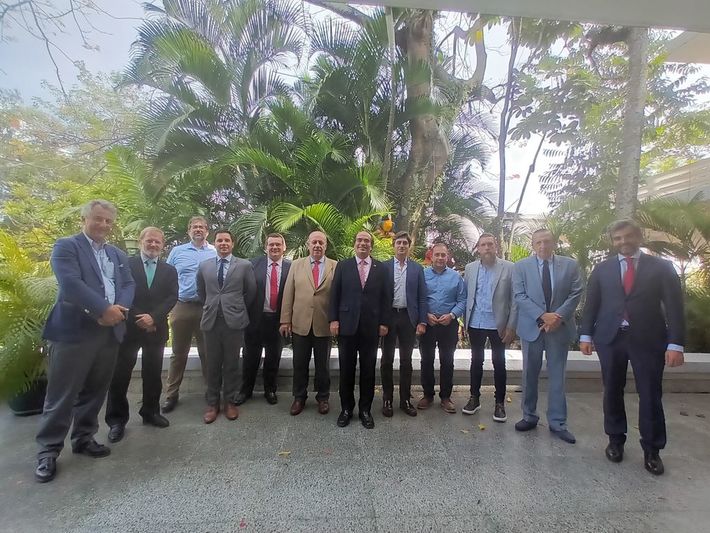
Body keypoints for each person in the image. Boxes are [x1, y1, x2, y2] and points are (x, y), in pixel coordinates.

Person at [35, 199, 136, 483]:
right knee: (62, 395)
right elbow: (70, 284)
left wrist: (118, 311)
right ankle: (48, 450)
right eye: (98, 219)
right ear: (84, 219)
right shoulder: (66, 246)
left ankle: (83, 438)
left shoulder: (116, 253)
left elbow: (128, 284)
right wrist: (102, 310)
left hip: (109, 333)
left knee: (95, 391)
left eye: (108, 221)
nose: (103, 225)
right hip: (74, 333)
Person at [580, 219, 685, 475]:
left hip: (648, 340)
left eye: (628, 236)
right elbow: (591, 304)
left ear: (639, 237)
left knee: (650, 394)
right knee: (611, 391)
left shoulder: (661, 267)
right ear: (612, 241)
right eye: (617, 238)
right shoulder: (602, 269)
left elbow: (674, 307)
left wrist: (676, 343)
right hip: (610, 339)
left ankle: (652, 449)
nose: (623, 242)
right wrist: (585, 335)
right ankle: (615, 440)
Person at [105, 227, 178, 443]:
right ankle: (117, 420)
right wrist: (140, 317)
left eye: (157, 242)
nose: (153, 245)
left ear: (163, 245)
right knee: (120, 375)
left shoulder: (169, 270)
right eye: (149, 241)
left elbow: (172, 297)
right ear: (140, 242)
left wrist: (153, 318)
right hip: (128, 327)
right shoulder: (127, 265)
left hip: (156, 328)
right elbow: (120, 293)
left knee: (153, 373)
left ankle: (150, 412)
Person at [512, 228, 583, 444]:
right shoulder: (521, 266)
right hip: (532, 327)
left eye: (547, 241)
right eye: (538, 242)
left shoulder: (570, 265)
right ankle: (529, 416)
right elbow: (519, 295)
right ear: (533, 245)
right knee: (529, 374)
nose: (543, 246)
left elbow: (576, 293)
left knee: (557, 376)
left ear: (554, 243)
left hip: (559, 328)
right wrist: (543, 316)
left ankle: (558, 422)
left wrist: (557, 316)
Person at [329, 231, 392, 429]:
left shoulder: (381, 268)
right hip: (346, 326)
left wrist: (384, 322)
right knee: (346, 370)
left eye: (366, 241)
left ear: (371, 245)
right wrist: (333, 319)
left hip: (371, 327)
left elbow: (386, 297)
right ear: (354, 244)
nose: (363, 243)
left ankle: (365, 410)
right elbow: (334, 294)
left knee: (368, 371)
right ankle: (346, 409)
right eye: (359, 240)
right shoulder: (343, 266)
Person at [196, 229, 256, 424]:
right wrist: (213, 305)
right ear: (214, 243)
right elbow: (201, 291)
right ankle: (212, 403)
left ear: (232, 244)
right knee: (212, 364)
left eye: (227, 240)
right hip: (211, 321)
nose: (223, 243)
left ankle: (230, 402)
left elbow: (251, 291)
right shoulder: (204, 265)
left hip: (234, 321)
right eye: (219, 240)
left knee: (231, 363)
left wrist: (236, 307)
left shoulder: (244, 265)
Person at [162, 216, 216, 413]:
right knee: (178, 353)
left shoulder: (214, 252)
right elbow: (167, 277)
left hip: (206, 307)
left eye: (202, 227)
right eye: (195, 227)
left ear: (207, 231)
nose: (198, 230)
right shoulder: (177, 252)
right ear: (189, 231)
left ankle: (212, 392)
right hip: (182, 306)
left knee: (207, 352)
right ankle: (171, 394)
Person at [280, 231, 337, 416]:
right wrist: (285, 319)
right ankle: (299, 397)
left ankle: (323, 398)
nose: (317, 245)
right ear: (308, 245)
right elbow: (288, 293)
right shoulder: (296, 265)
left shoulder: (335, 266)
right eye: (314, 242)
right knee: (299, 363)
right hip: (300, 323)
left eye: (321, 242)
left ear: (325, 246)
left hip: (324, 324)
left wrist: (336, 320)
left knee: (323, 365)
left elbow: (338, 296)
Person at [462, 233, 517, 422]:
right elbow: (467, 296)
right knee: (476, 361)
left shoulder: (509, 268)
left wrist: (511, 326)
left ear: (496, 247)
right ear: (478, 248)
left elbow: (515, 300)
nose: (487, 248)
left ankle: (499, 403)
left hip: (498, 324)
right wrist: (464, 323)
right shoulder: (470, 268)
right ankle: (474, 398)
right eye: (483, 245)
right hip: (475, 322)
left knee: (499, 362)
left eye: (490, 244)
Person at [236, 234, 291, 405]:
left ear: (284, 247)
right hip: (255, 318)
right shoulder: (252, 265)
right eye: (271, 244)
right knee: (250, 356)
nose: (274, 247)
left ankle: (270, 390)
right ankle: (246, 390)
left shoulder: (291, 268)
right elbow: (242, 290)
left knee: (273, 356)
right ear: (265, 247)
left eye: (278, 244)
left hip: (278, 320)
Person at [380, 231, 427, 417]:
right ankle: (387, 399)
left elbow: (422, 297)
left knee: (406, 361)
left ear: (409, 246)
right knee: (387, 360)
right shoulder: (384, 267)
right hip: (389, 317)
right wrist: (380, 321)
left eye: (404, 243)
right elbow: (379, 297)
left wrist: (422, 321)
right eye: (398, 243)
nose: (401, 246)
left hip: (408, 318)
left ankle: (405, 399)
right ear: (394, 245)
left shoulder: (417, 269)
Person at [417, 242, 467, 414]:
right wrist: (425, 315)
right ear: (431, 256)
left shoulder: (456, 277)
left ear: (448, 257)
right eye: (437, 254)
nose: (440, 258)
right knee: (426, 360)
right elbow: (416, 298)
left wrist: (452, 315)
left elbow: (462, 300)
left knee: (447, 361)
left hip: (448, 324)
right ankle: (428, 395)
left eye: (443, 255)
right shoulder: (422, 275)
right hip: (428, 323)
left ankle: (445, 397)